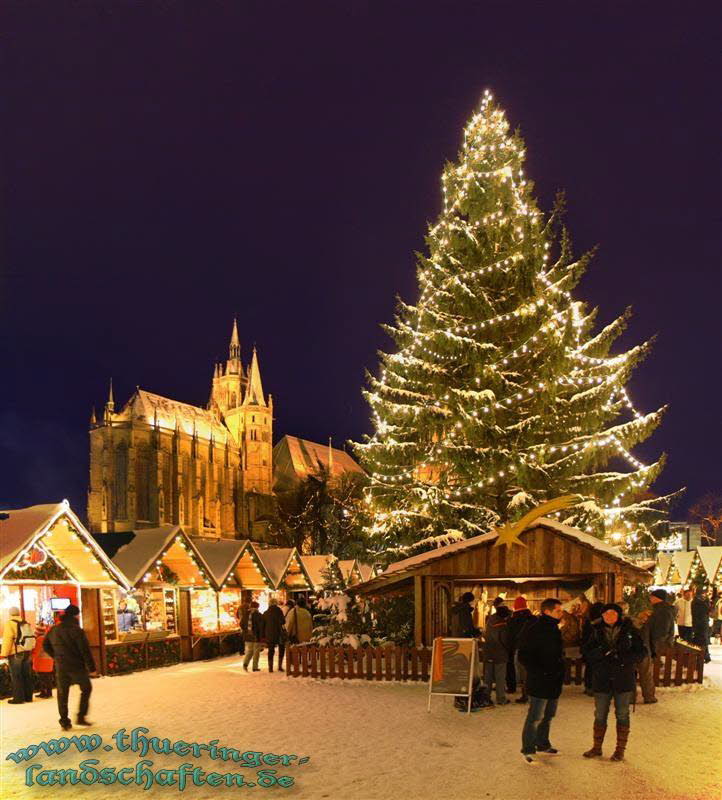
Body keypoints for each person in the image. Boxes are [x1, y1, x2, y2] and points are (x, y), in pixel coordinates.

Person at [581, 603, 645, 762]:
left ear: (619, 615)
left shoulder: (630, 630)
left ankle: (620, 750)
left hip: (623, 678)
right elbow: (586, 652)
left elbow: (641, 652)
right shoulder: (594, 630)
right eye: (606, 613)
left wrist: (623, 658)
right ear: (602, 616)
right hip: (602, 678)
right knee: (600, 714)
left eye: (613, 613)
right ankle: (597, 747)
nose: (609, 616)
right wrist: (601, 654)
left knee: (622, 714)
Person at [517, 598, 565, 764]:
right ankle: (528, 748)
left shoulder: (554, 628)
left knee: (549, 715)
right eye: (558, 610)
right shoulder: (534, 628)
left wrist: (558, 669)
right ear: (547, 611)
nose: (561, 613)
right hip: (539, 679)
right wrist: (539, 671)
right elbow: (523, 655)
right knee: (535, 716)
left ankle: (542, 743)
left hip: (554, 679)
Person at [43, 604, 97, 730]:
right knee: (86, 688)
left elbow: (45, 645)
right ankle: (81, 716)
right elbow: (85, 650)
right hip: (76, 666)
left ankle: (64, 721)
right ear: (75, 615)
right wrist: (92, 667)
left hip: (61, 666)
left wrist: (56, 656)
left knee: (62, 694)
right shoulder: (77, 630)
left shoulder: (54, 630)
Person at [637, 589, 676, 704]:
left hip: (648, 644)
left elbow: (660, 632)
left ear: (657, 598)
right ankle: (648, 696)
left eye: (652, 596)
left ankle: (649, 696)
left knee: (645, 671)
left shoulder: (662, 611)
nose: (650, 599)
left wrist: (654, 646)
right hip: (649, 643)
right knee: (645, 671)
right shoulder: (661, 609)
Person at [1, 606, 35, 704]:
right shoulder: (25, 623)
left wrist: (4, 654)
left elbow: (7, 639)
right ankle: (28, 697)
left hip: (16, 653)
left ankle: (18, 698)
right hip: (26, 651)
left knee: (16, 676)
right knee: (26, 675)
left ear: (10, 613)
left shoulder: (10, 623)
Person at [508, 596, 534, 703]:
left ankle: (525, 695)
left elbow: (510, 636)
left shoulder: (512, 620)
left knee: (524, 673)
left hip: (520, 649)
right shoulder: (533, 619)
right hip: (534, 649)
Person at [483, 605, 511, 705]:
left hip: (488, 652)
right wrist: (508, 649)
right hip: (500, 654)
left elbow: (484, 635)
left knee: (488, 677)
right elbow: (505, 641)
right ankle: (501, 698)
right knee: (500, 677)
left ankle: (486, 697)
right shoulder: (502, 625)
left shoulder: (489, 621)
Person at [581, 602, 604, 696]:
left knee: (589, 668)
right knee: (597, 669)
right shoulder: (600, 622)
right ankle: (594, 687)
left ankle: (588, 687)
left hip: (587, 648)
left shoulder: (588, 621)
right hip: (596, 648)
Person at [262, 598, 287, 672]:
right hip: (279, 633)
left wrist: (263, 635)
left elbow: (263, 625)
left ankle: (270, 668)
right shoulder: (279, 611)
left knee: (271, 650)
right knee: (281, 649)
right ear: (276, 603)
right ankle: (279, 666)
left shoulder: (266, 613)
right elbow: (283, 621)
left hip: (269, 634)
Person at [32, 618, 55, 699]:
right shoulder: (47, 638)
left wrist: (31, 657)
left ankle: (45, 693)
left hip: (42, 661)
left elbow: (37, 651)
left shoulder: (39, 639)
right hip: (49, 660)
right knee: (47, 677)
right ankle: (48, 692)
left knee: (43, 678)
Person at [242, 601, 264, 672]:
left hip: (248, 636)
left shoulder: (246, 614)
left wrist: (246, 630)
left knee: (250, 651)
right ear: (257, 607)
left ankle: (245, 664)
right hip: (256, 636)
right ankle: (255, 667)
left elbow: (241, 624)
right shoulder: (258, 615)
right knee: (256, 652)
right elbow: (261, 626)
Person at [691, 589, 711, 663]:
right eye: (703, 594)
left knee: (703, 640)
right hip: (700, 624)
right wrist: (706, 601)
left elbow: (708, 611)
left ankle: (705, 656)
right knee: (702, 640)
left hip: (702, 624)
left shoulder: (698, 601)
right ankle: (704, 656)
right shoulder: (696, 602)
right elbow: (705, 610)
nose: (704, 595)